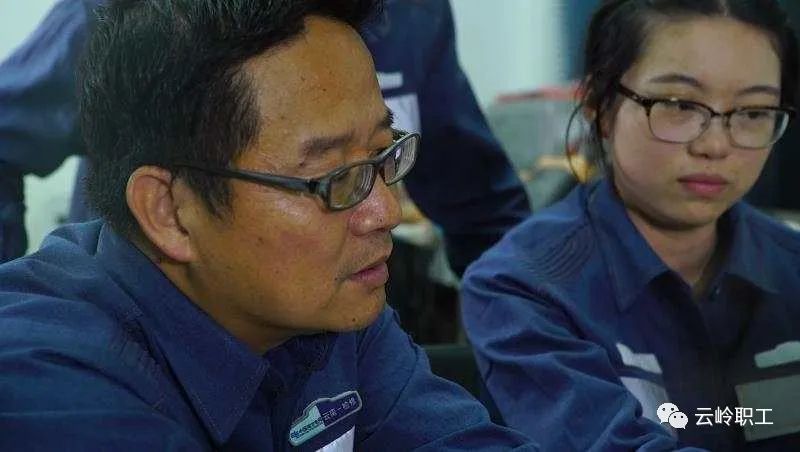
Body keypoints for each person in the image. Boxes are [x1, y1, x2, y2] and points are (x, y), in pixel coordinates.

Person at [0, 1, 539, 450]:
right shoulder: (47, 385)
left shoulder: (328, 310)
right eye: (333, 179)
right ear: (170, 211)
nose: (386, 212)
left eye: (382, 154)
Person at [461, 0, 800, 450]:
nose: (716, 145)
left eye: (754, 112)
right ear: (600, 107)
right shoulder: (522, 288)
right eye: (678, 104)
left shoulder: (791, 267)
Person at [0, 0, 531, 278]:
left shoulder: (413, 15)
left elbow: (477, 198)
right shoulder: (136, 16)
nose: (383, 212)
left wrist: (525, 304)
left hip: (325, 327)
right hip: (144, 326)